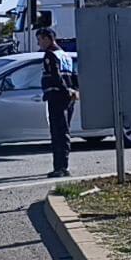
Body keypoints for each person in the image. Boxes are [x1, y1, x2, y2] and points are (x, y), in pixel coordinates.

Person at [38, 27, 76, 177]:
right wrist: (73, 91)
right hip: (68, 98)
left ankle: (60, 168)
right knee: (65, 132)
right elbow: (73, 75)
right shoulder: (65, 55)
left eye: (40, 39)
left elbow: (56, 76)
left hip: (56, 96)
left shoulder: (50, 54)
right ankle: (63, 165)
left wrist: (65, 90)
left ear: (48, 39)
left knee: (57, 133)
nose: (39, 43)